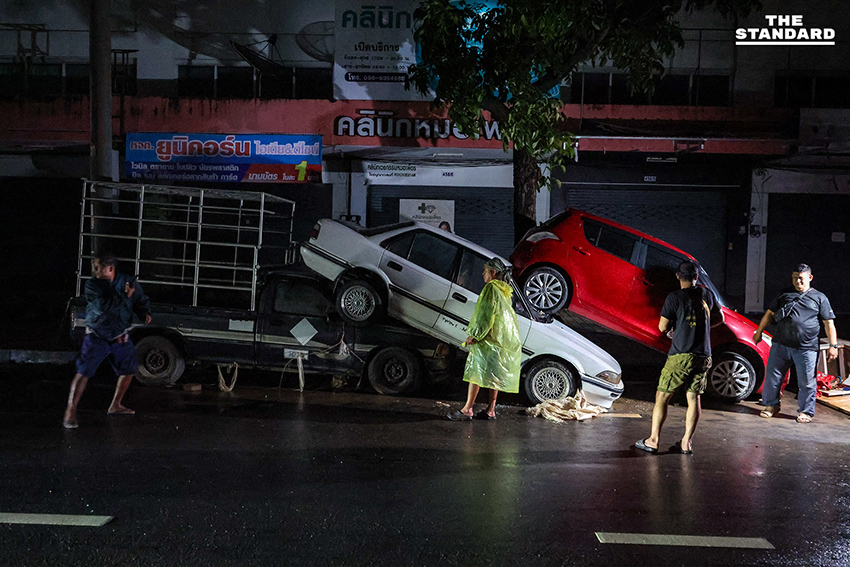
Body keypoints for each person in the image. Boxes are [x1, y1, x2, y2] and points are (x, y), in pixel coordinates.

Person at [635, 260, 723, 455]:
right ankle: (686, 443)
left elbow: (662, 327)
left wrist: (678, 329)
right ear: (696, 277)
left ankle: (653, 441)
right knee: (694, 398)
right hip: (704, 355)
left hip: (681, 355)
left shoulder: (675, 297)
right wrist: (702, 327)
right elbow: (720, 318)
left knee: (662, 396)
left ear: (677, 276)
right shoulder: (706, 294)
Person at [63, 253, 152, 429]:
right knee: (84, 371)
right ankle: (70, 411)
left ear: (109, 268)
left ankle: (115, 405)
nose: (95, 271)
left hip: (119, 334)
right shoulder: (92, 285)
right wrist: (124, 296)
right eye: (95, 267)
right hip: (97, 334)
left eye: (98, 267)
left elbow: (139, 298)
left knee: (129, 369)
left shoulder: (127, 282)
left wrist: (144, 312)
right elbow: (103, 306)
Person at [754, 263, 837, 423]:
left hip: (806, 348)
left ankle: (806, 412)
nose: (797, 282)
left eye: (800, 278)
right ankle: (771, 405)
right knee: (773, 377)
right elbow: (769, 315)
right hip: (780, 344)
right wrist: (759, 332)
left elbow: (829, 323)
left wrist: (833, 346)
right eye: (794, 278)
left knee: (806, 381)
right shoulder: (784, 294)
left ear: (810, 278)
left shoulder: (820, 298)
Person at [447, 258, 522, 420]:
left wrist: (474, 334)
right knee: (493, 375)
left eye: (485, 271)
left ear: (493, 273)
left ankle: (467, 409)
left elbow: (486, 315)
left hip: (488, 339)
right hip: (501, 341)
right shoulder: (505, 291)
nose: (483, 274)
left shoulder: (491, 288)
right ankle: (490, 410)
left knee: (476, 372)